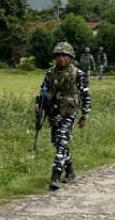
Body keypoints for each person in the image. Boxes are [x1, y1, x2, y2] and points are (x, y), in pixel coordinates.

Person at [36, 42, 91, 191]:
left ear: (70, 57)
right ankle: (70, 170)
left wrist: (85, 114)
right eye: (58, 55)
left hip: (68, 112)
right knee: (56, 141)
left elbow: (85, 94)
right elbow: (43, 90)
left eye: (64, 55)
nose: (61, 58)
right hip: (53, 112)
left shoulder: (78, 74)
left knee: (62, 142)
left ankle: (55, 176)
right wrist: (39, 104)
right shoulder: (50, 73)